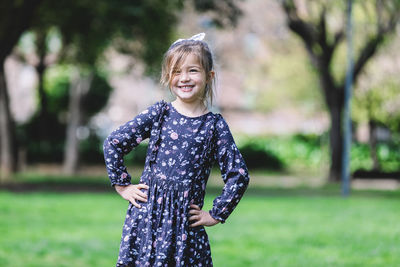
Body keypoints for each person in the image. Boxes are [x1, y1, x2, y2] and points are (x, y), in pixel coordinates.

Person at [103, 33, 250, 267]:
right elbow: (114, 142)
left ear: (209, 76)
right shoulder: (159, 114)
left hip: (185, 228)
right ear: (167, 77)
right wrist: (122, 185)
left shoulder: (214, 126)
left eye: (193, 70)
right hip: (147, 222)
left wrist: (215, 214)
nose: (184, 78)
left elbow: (239, 175)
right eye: (176, 72)